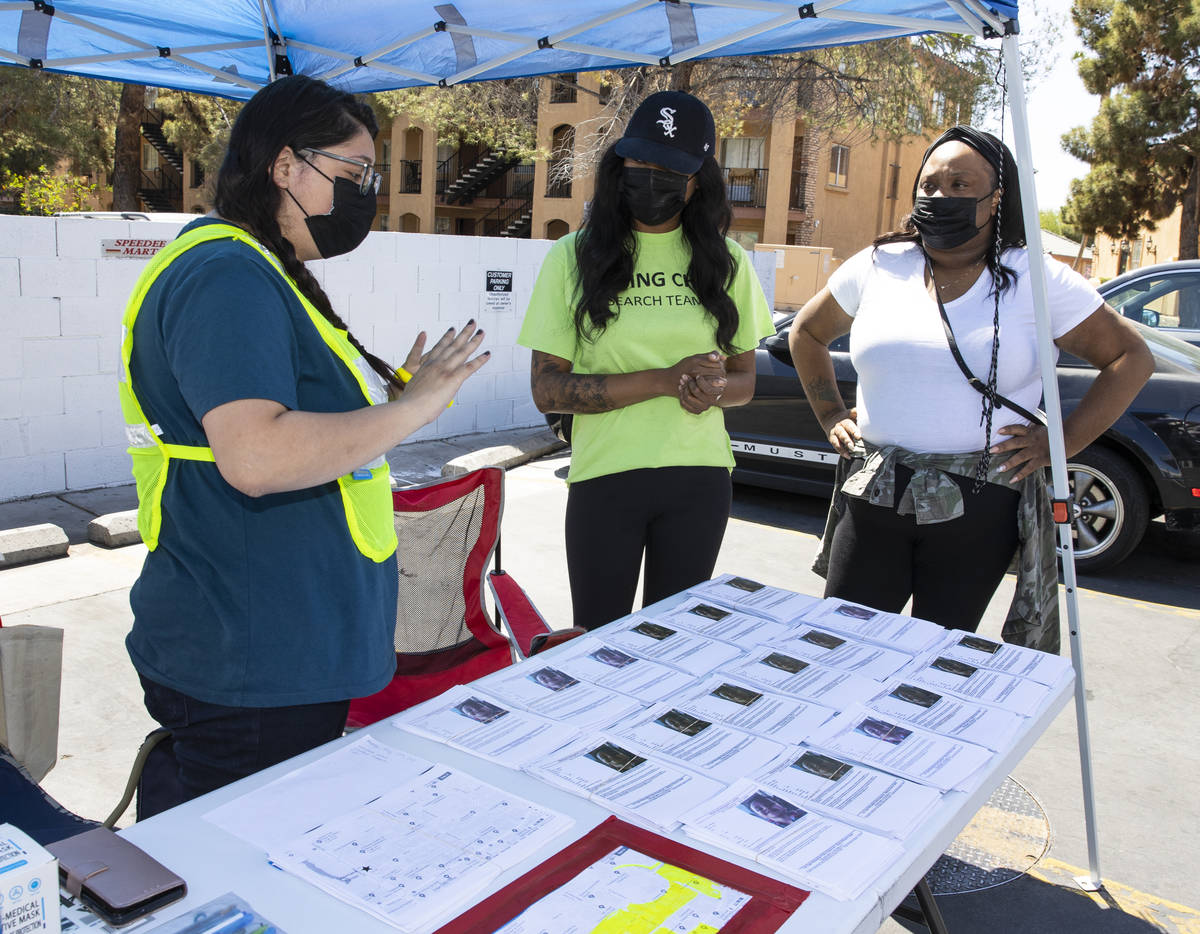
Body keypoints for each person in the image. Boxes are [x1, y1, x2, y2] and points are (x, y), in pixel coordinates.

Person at [121, 76, 488, 816]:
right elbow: (256, 456)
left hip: (277, 651)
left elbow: (290, 429)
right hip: (252, 660)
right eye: (353, 175)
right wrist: (414, 408)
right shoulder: (226, 275)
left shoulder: (255, 270)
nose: (365, 195)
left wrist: (390, 404)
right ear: (285, 167)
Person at [790, 125, 1154, 647]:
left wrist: (1063, 442)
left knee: (936, 655)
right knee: (841, 646)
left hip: (979, 502)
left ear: (996, 198)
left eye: (960, 185)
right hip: (876, 491)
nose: (940, 197)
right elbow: (806, 333)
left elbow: (1129, 356)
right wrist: (830, 415)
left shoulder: (1037, 278)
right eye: (930, 185)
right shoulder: (878, 265)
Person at [519, 90, 775, 631]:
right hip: (605, 476)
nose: (649, 176)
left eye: (669, 168)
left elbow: (745, 380)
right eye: (640, 161)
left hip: (699, 479)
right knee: (596, 638)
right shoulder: (573, 257)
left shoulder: (728, 262)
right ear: (621, 163)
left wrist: (711, 389)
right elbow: (548, 390)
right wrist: (662, 380)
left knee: (672, 643)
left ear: (698, 179)